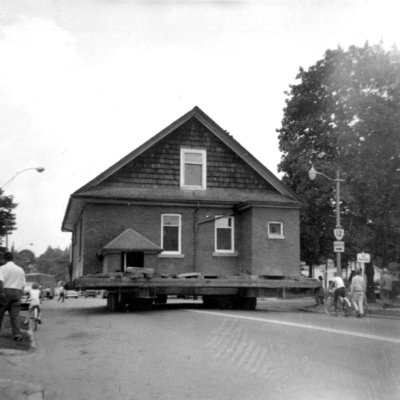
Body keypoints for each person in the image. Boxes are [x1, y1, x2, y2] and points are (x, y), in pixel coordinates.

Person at [0, 252, 26, 341]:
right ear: (12, 258)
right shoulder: (20, 269)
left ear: (4, 259)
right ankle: (17, 334)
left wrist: (1, 292)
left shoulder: (2, 268)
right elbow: (23, 284)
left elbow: (1, 281)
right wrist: (20, 293)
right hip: (17, 292)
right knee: (15, 315)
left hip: (6, 291)